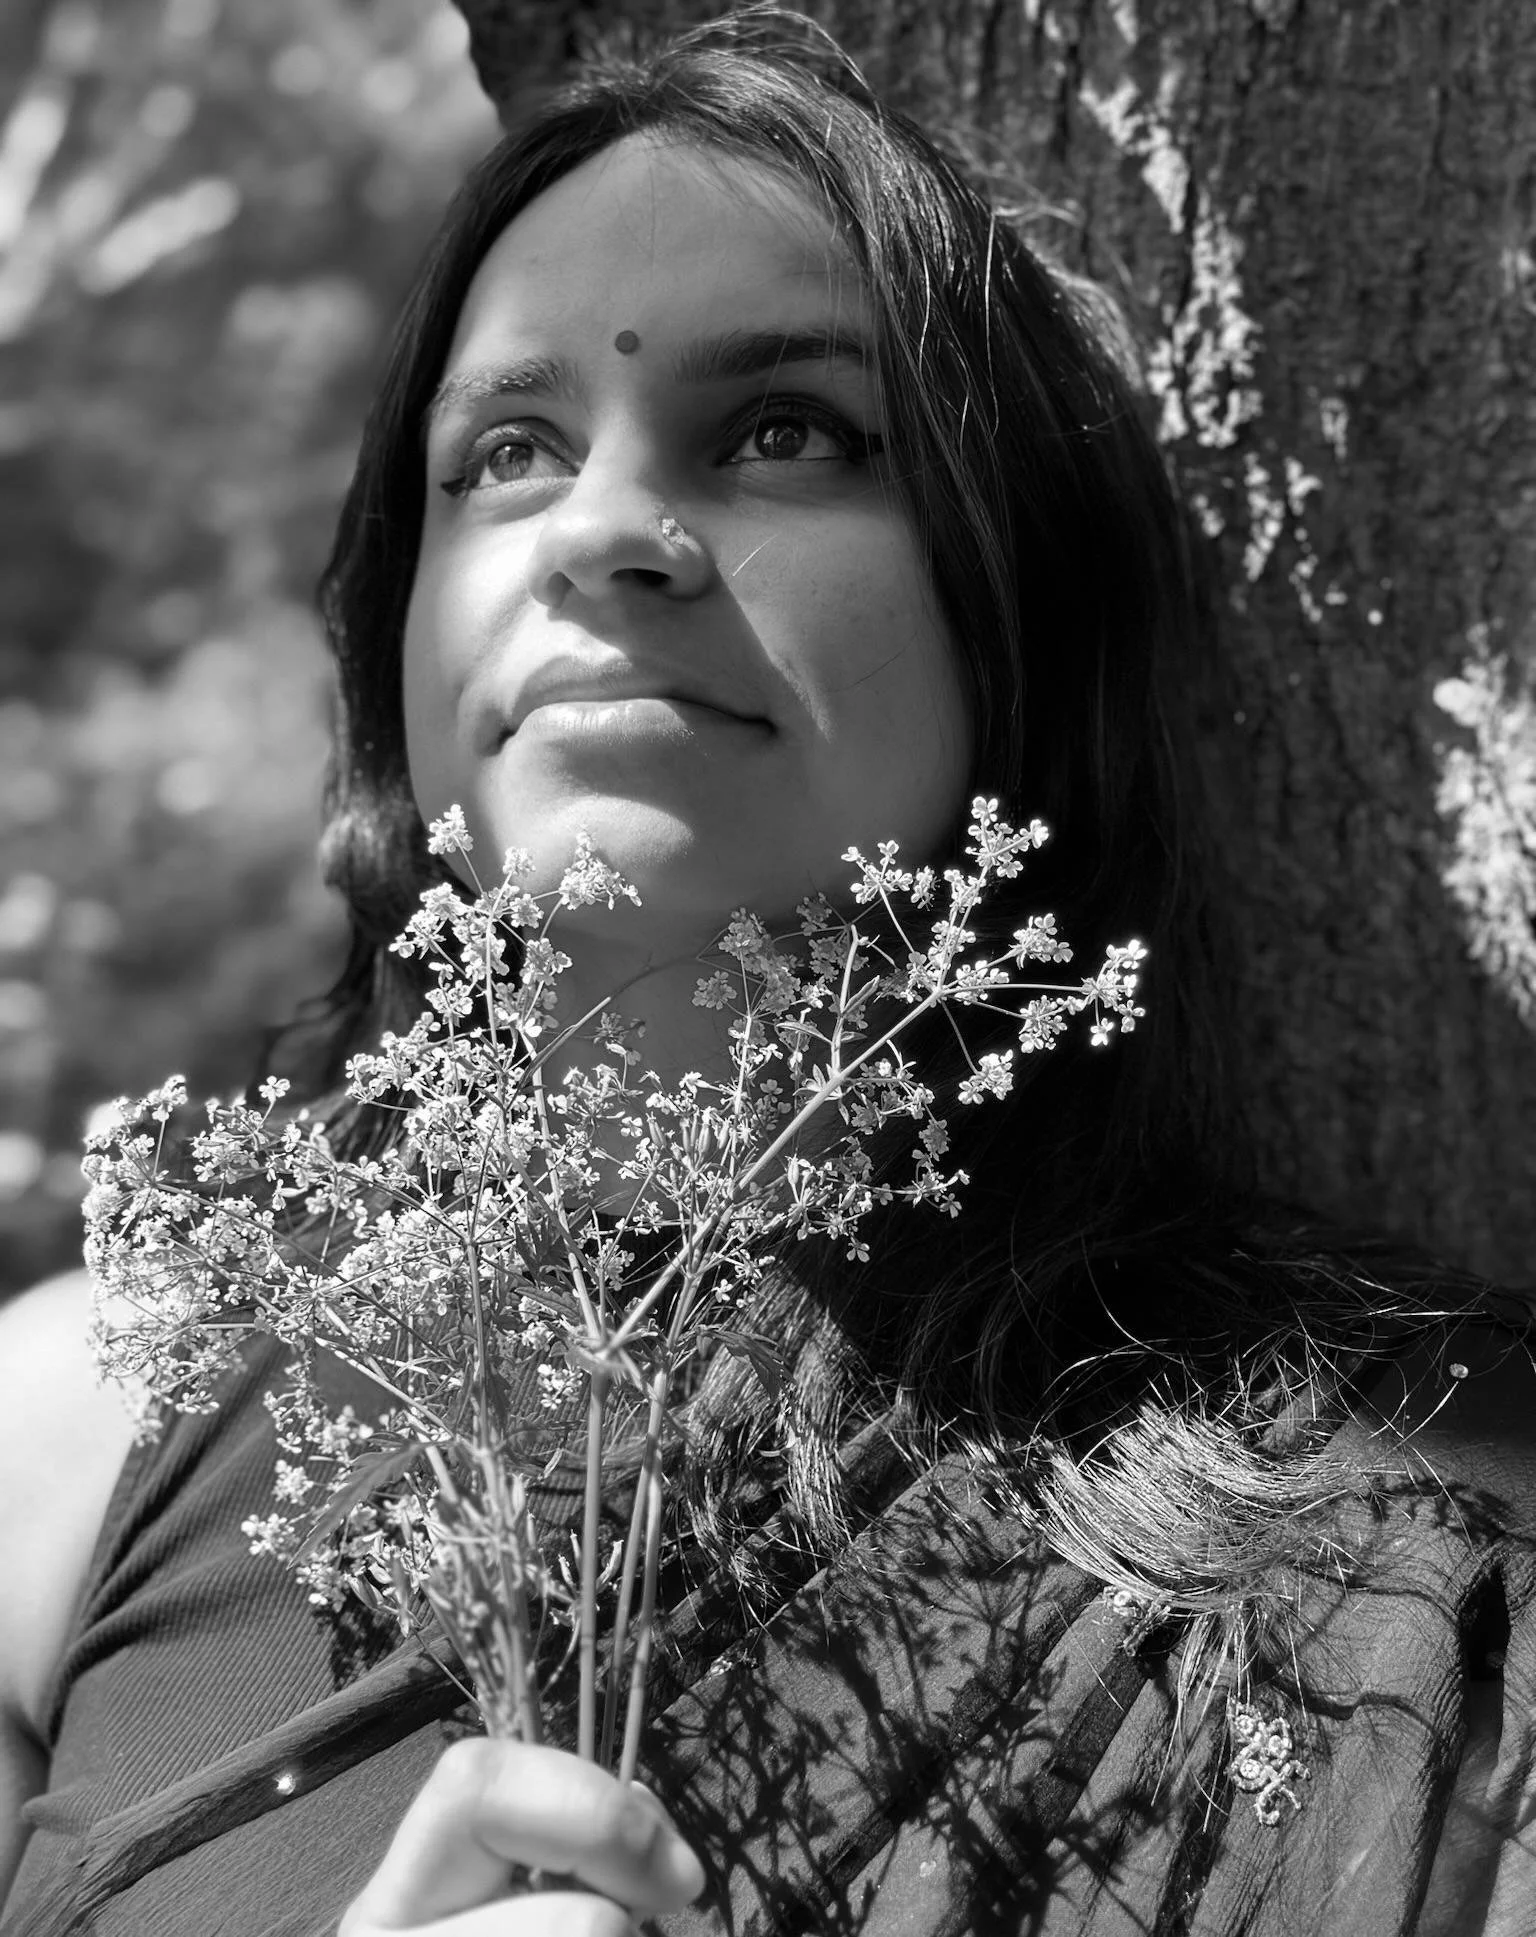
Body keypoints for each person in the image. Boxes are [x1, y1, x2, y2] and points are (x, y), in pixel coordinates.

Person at [1, 10, 1532, 1934]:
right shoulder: (69, 1441)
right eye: (510, 449)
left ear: (1016, 625)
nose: (607, 534)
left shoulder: (1415, 1548)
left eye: (783, 431)